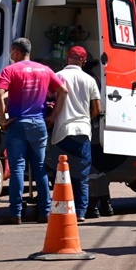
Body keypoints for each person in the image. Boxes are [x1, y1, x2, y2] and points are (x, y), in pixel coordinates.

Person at [0, 37, 67, 225]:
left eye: (12, 52)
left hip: (17, 123)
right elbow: (63, 91)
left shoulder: (10, 71)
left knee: (17, 169)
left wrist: (3, 120)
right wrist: (53, 116)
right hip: (38, 123)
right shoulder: (45, 70)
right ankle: (45, 212)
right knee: (40, 168)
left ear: (16, 52)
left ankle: (15, 213)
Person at [49, 46, 102, 222]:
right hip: (83, 131)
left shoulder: (58, 76)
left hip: (62, 132)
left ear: (67, 58)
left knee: (61, 175)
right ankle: (80, 212)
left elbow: (49, 101)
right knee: (82, 175)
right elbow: (97, 109)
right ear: (84, 62)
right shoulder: (89, 80)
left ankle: (63, 209)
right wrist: (86, 117)